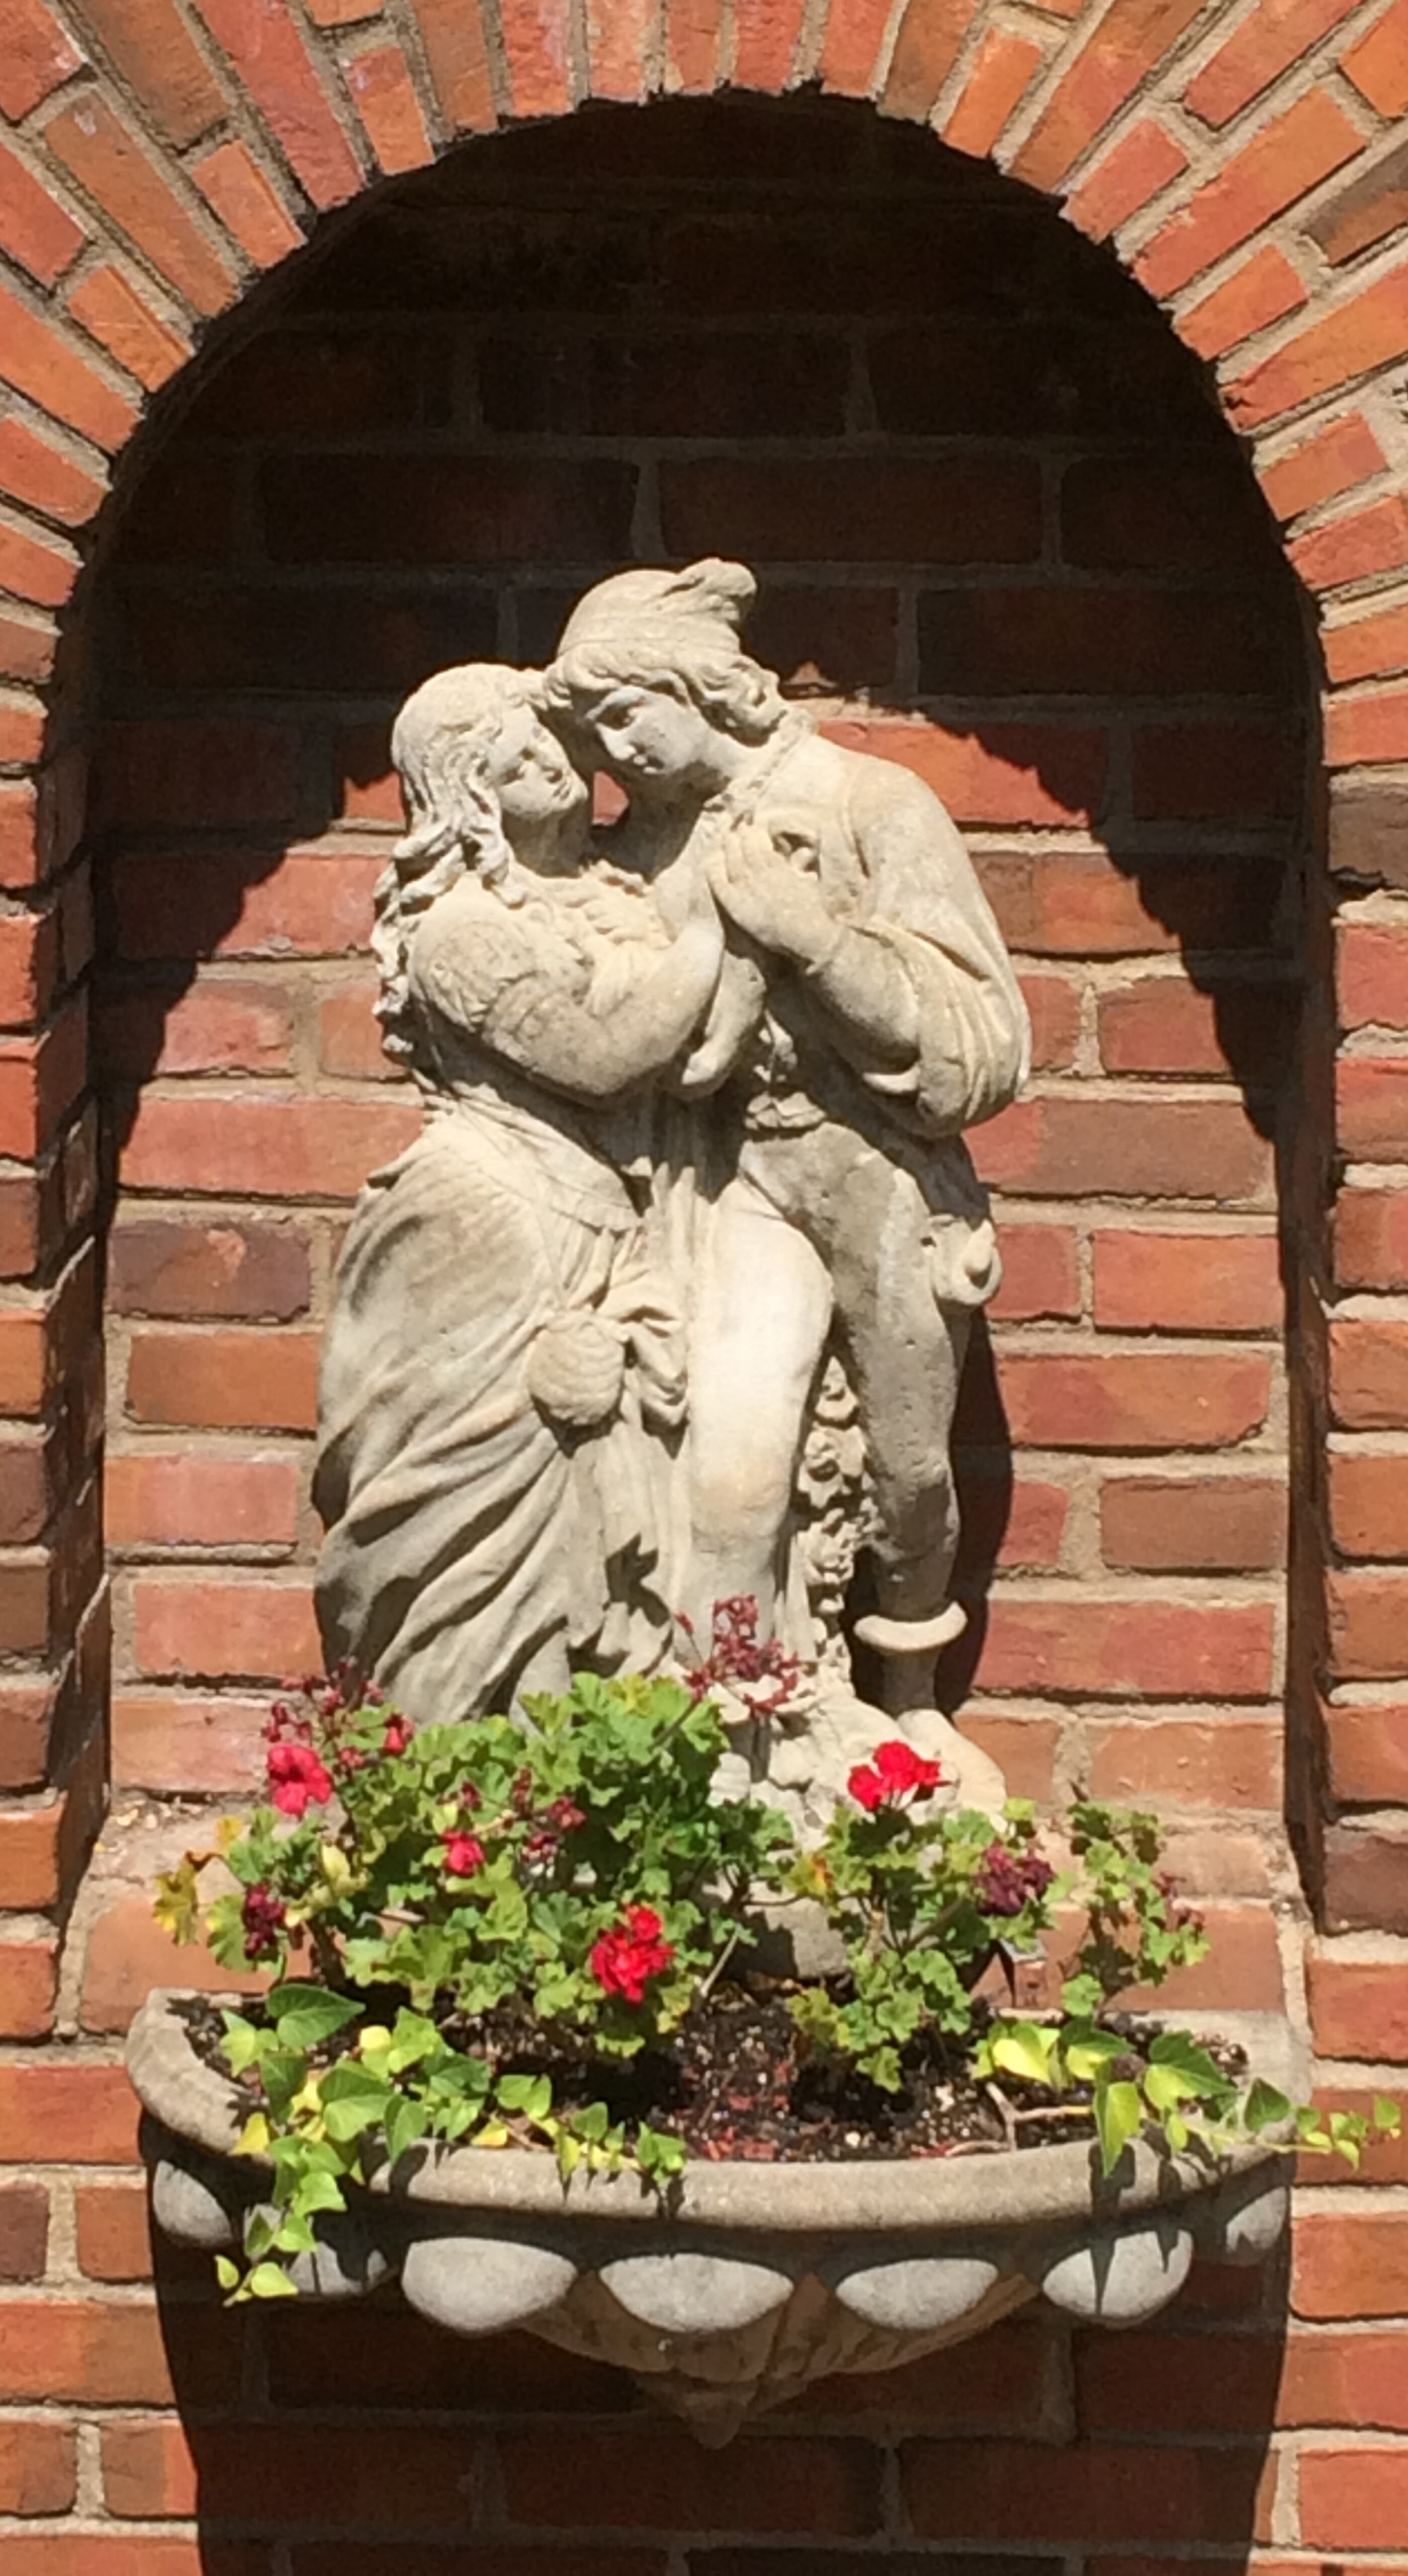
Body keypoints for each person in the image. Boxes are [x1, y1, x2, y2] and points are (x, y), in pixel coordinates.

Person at [547, 562, 1030, 1794]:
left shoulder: (872, 803)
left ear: (701, 686)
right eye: (590, 729)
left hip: (884, 1182)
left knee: (911, 1477)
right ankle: (734, 1734)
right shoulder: (640, 846)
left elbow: (984, 1047)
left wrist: (812, 938)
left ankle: (911, 1698)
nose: (610, 752)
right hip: (741, 1182)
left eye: (624, 713)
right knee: (732, 1471)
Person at [313, 662, 725, 1723]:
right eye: (515, 761)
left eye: (549, 742)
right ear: (472, 797)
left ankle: (564, 1773)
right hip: (490, 1234)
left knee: (576, 1520)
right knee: (471, 1520)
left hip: (593, 1228)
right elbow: (600, 1060)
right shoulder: (460, 932)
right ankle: (447, 1770)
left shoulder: (604, 891)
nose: (554, 765)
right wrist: (721, 942)